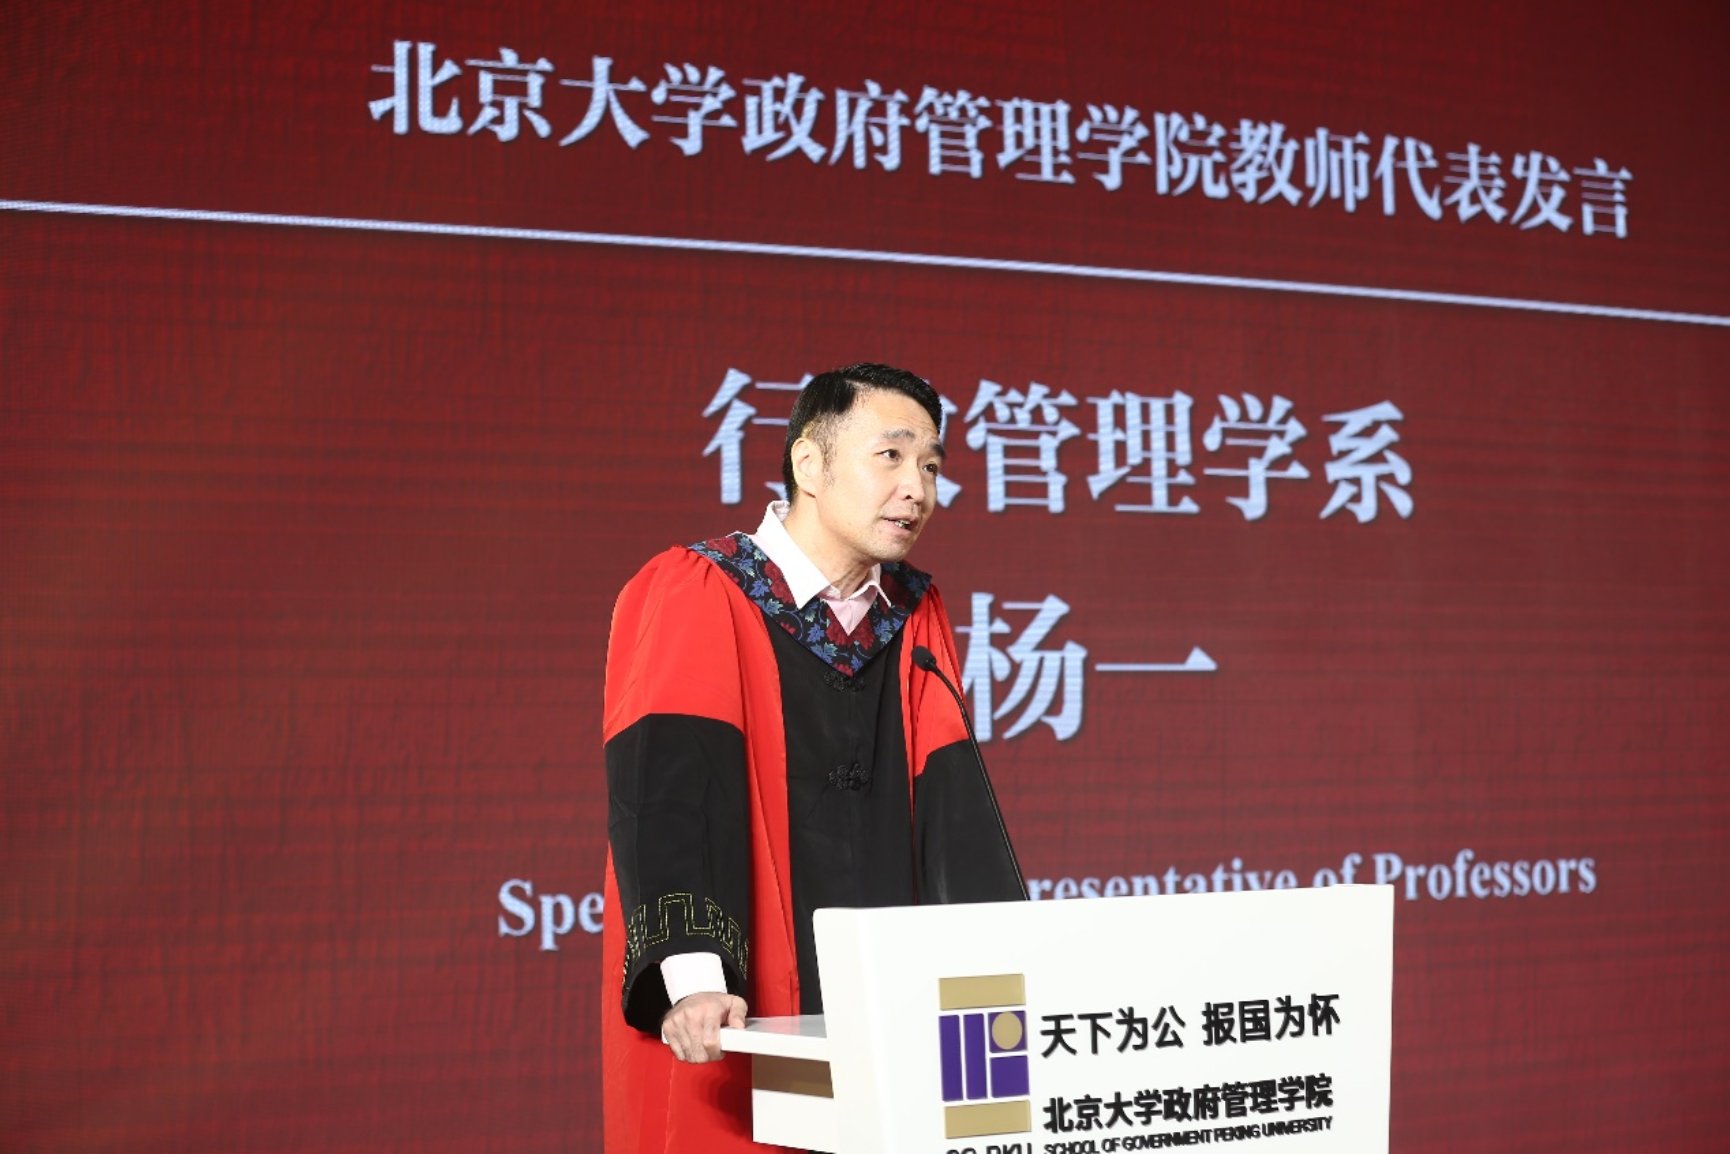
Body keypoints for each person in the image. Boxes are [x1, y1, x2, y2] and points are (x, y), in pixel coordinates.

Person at [600, 362, 1024, 1152]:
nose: (917, 489)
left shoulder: (912, 615)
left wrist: (1001, 979)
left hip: (887, 1017)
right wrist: (695, 981)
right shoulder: (701, 588)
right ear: (809, 463)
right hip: (742, 1013)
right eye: (890, 456)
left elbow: (953, 813)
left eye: (932, 466)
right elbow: (668, 797)